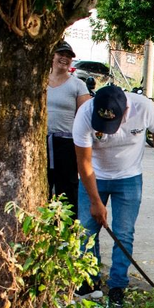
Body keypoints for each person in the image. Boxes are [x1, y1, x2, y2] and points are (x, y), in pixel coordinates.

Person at [73, 85, 154, 308]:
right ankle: (89, 281)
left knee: (123, 233)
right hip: (94, 175)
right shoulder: (85, 114)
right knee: (86, 231)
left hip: (129, 177)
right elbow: (84, 162)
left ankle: (117, 286)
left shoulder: (144, 107)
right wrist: (95, 201)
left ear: (125, 110)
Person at [46, 40, 90, 216]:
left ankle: (68, 229)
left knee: (67, 186)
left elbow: (85, 115)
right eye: (60, 54)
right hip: (43, 141)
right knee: (44, 184)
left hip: (67, 143)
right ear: (52, 56)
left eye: (68, 56)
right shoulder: (41, 80)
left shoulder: (77, 85)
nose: (64, 58)